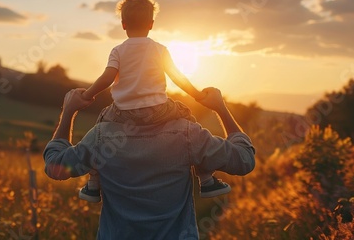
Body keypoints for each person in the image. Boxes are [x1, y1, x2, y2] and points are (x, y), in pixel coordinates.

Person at [43, 87, 255, 239]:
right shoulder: (187, 133)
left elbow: (55, 166)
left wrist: (69, 111)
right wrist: (220, 107)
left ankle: (93, 183)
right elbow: (244, 160)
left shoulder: (101, 137)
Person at [77, 0, 228, 202]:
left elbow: (108, 78)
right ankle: (206, 178)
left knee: (101, 126)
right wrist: (197, 95)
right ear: (151, 24)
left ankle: (93, 184)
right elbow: (177, 77)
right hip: (159, 110)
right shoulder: (160, 49)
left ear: (123, 25)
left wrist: (87, 94)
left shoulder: (118, 51)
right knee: (188, 119)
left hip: (123, 114)